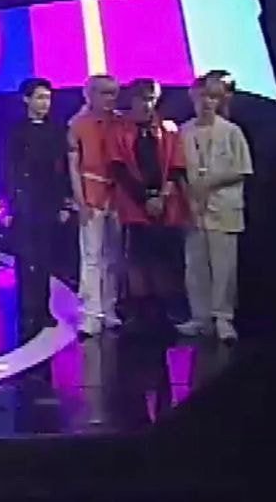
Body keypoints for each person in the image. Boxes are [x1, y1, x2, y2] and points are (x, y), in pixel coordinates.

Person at [108, 78, 190, 337]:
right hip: (134, 204)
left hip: (165, 205)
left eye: (151, 99)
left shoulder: (168, 129)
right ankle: (140, 312)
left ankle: (168, 311)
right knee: (137, 259)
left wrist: (162, 197)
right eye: (142, 99)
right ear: (132, 100)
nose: (147, 105)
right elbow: (118, 168)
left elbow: (176, 167)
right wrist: (145, 199)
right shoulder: (119, 130)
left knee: (165, 259)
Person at [176, 76, 253, 342]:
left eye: (212, 97)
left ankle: (223, 318)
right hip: (193, 207)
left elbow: (242, 169)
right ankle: (200, 317)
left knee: (223, 266)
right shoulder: (184, 132)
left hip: (223, 206)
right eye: (202, 97)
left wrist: (210, 182)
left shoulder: (231, 131)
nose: (206, 102)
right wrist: (189, 194)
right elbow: (177, 170)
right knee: (195, 265)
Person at [4, 78, 70, 343]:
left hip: (48, 202)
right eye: (40, 97)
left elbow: (62, 170)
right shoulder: (16, 132)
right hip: (24, 202)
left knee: (46, 258)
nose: (45, 103)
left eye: (48, 98)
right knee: (25, 258)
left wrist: (64, 202)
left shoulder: (56, 131)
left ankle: (43, 309)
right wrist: (11, 204)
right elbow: (9, 169)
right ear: (26, 99)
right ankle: (26, 309)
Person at [67, 74, 123, 337]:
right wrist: (81, 201)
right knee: (92, 256)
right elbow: (73, 167)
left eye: (113, 93)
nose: (110, 99)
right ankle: (91, 314)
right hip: (91, 195)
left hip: (118, 197)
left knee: (114, 256)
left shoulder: (121, 122)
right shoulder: (78, 124)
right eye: (104, 93)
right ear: (90, 95)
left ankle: (109, 308)